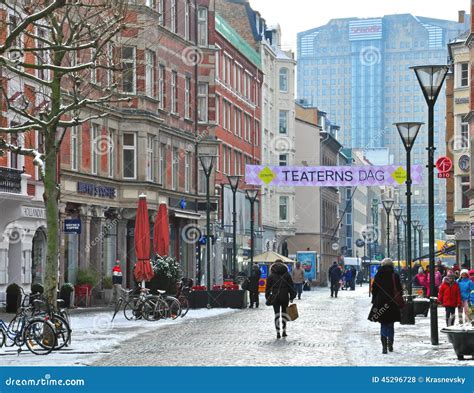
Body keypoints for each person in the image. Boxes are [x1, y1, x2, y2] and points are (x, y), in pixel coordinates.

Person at [368, 258, 403, 354]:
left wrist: (375, 299)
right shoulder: (394, 275)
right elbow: (399, 289)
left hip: (381, 302)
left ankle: (384, 346)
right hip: (392, 302)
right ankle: (390, 343)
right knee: (390, 324)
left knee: (383, 323)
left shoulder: (378, 275)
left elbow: (374, 289)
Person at [265, 260, 296, 339]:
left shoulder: (271, 276)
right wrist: (292, 297)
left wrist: (267, 297)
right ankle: (284, 331)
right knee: (284, 314)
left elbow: (267, 288)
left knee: (277, 315)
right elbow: (291, 287)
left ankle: (278, 332)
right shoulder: (287, 275)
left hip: (275, 297)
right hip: (285, 297)